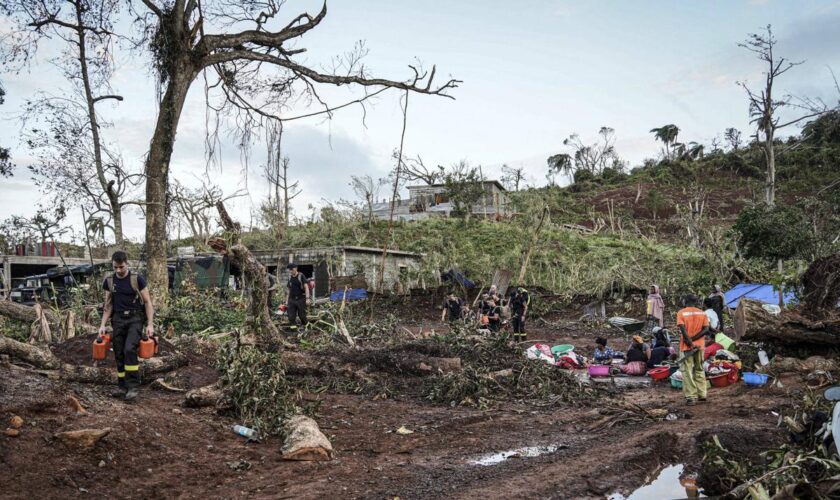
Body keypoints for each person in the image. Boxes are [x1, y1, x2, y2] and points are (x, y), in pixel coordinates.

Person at [98, 251, 155, 401]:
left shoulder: (137, 279)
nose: (118, 270)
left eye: (121, 267)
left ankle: (133, 387)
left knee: (129, 349)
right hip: (117, 319)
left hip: (135, 318)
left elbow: (148, 302)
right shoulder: (109, 281)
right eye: (115, 267)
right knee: (119, 352)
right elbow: (108, 305)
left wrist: (150, 324)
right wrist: (102, 324)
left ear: (126, 263)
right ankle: (122, 386)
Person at [677, 294, 710, 405]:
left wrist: (690, 342)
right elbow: (706, 329)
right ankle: (702, 394)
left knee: (687, 371)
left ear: (685, 300)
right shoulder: (702, 313)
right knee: (699, 369)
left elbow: (683, 330)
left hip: (686, 347)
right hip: (700, 346)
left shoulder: (681, 313)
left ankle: (691, 397)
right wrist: (694, 340)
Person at [286, 263, 308, 331]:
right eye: (289, 270)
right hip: (292, 299)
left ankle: (306, 328)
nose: (290, 271)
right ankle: (294, 330)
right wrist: (286, 301)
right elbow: (288, 290)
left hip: (301, 299)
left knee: (302, 316)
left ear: (295, 268)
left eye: (291, 269)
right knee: (291, 317)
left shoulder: (301, 276)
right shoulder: (290, 277)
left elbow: (306, 287)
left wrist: (307, 298)